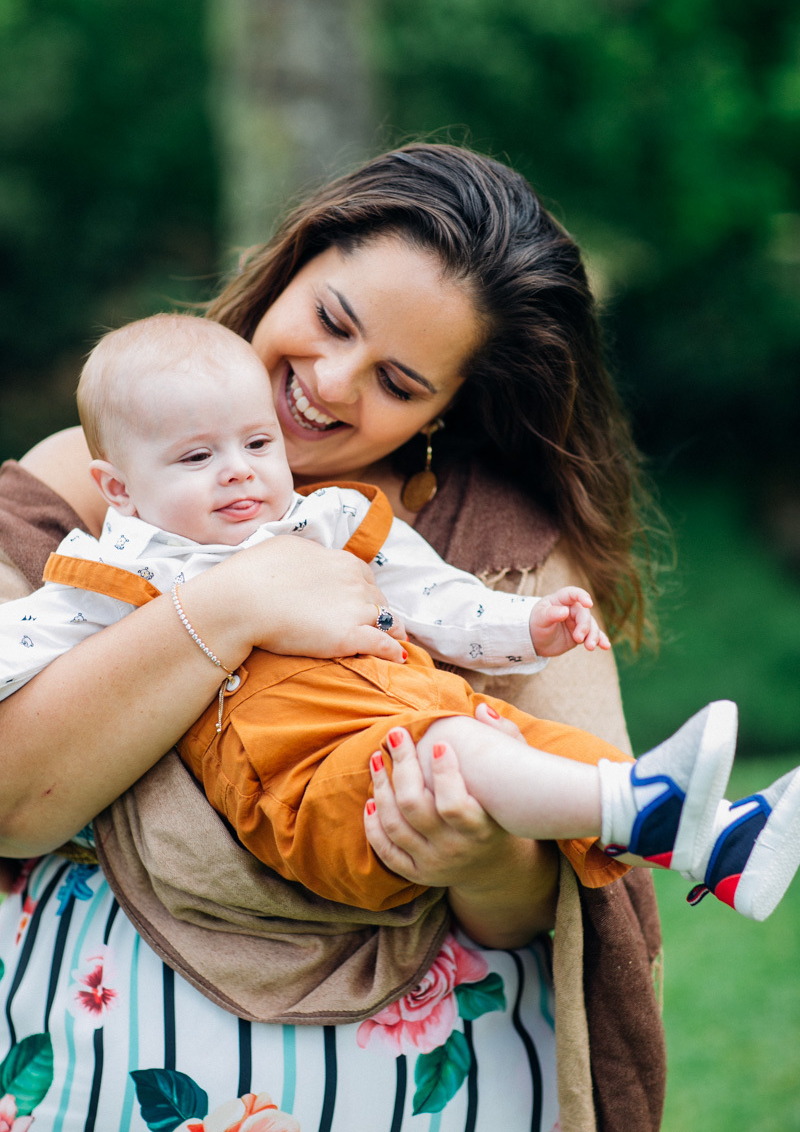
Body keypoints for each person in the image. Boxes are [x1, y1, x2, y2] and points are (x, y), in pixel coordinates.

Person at [0, 143, 669, 1132]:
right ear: (290, 267)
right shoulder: (89, 485)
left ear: (445, 409)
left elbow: (574, 890)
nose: (329, 382)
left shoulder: (505, 555)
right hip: (94, 1063)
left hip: (427, 1090)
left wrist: (482, 862)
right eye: (331, 320)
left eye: (397, 382)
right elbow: (12, 802)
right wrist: (236, 604)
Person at [5, 314, 798, 924]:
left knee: (539, 746)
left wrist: (527, 625)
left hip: (422, 728)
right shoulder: (117, 576)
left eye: (256, 443)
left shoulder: (327, 521)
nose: (239, 471)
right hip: (313, 783)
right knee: (460, 746)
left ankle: (722, 843)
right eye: (197, 457)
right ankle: (636, 807)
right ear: (118, 488)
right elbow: (24, 652)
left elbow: (435, 596)